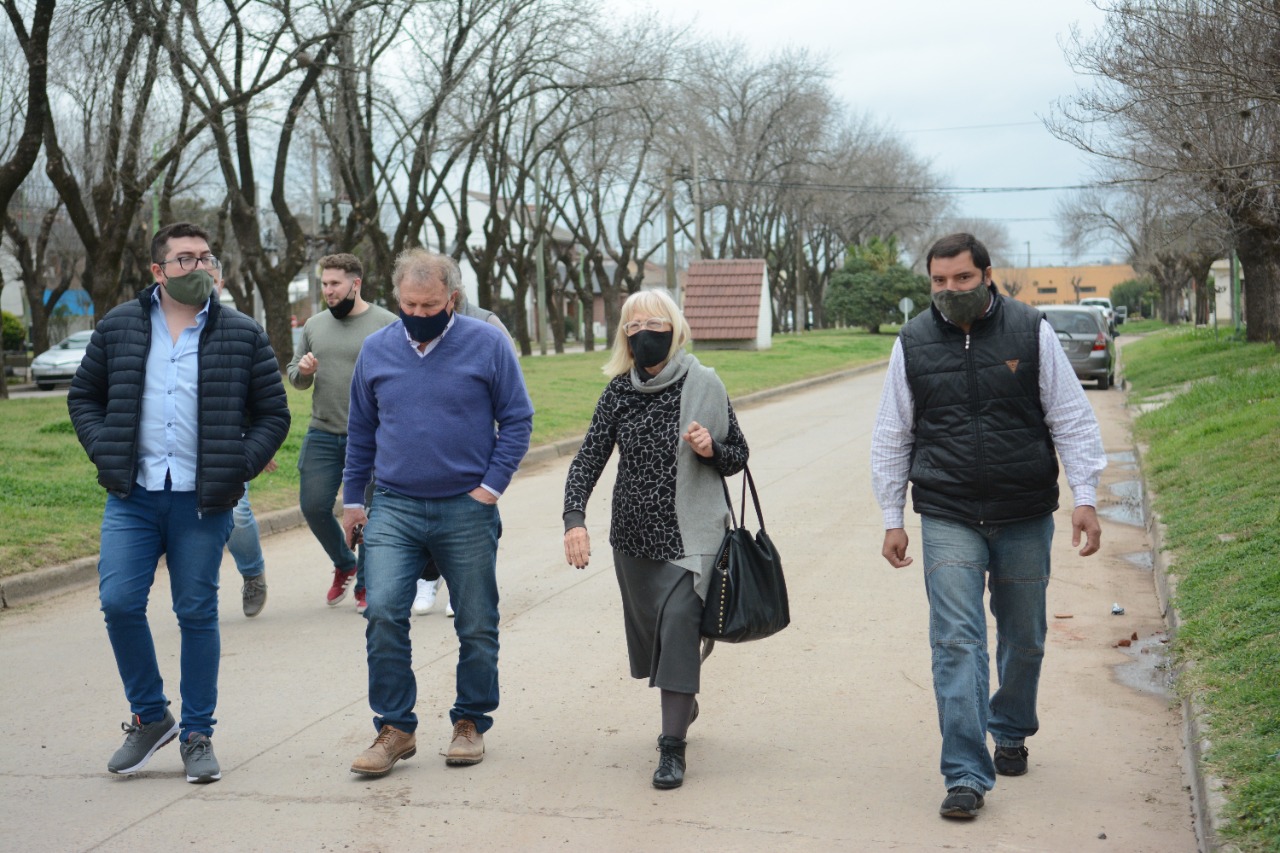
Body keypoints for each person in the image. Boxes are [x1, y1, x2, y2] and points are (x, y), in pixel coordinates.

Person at [870, 233, 1106, 820]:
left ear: (987, 276)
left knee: (1023, 638)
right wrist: (890, 516)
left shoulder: (1030, 330)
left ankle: (1011, 727)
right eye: (939, 282)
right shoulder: (913, 341)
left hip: (1024, 511)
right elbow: (893, 433)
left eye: (961, 280)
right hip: (949, 512)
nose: (949, 291)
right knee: (956, 640)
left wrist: (1087, 496)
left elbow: (1071, 416)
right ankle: (966, 773)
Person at [67, 221, 290, 784]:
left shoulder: (241, 332)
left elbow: (273, 413)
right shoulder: (119, 326)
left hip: (201, 501)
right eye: (185, 259)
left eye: (206, 257)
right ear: (158, 270)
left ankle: (196, 733)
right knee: (118, 603)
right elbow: (84, 397)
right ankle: (150, 717)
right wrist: (105, 451)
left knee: (195, 613)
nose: (199, 267)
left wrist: (236, 465)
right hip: (133, 495)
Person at [342, 248, 533, 777]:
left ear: (453, 298)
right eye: (409, 303)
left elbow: (517, 420)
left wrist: (490, 489)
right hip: (395, 505)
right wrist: (353, 501)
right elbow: (361, 432)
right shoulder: (376, 350)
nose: (419, 314)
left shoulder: (488, 343)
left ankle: (470, 721)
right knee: (381, 611)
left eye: (431, 305)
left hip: (465, 506)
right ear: (396, 297)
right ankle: (395, 728)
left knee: (476, 622)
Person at [562, 288, 749, 790]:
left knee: (681, 628)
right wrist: (574, 518)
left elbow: (739, 457)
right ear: (624, 335)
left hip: (693, 537)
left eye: (654, 322)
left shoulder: (705, 383)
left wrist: (711, 449)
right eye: (633, 324)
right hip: (634, 540)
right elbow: (588, 459)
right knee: (657, 644)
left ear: (674, 327)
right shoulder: (620, 391)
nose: (643, 331)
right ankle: (681, 698)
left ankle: (671, 750)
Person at [287, 254, 396, 614]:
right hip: (323, 431)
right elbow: (295, 378)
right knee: (314, 505)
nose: (328, 291)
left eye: (335, 283)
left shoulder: (387, 323)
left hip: (372, 437)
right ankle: (344, 561)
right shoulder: (314, 325)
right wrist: (303, 371)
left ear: (356, 284)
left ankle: (366, 583)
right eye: (324, 284)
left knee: (370, 511)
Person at [411, 282, 517, 617]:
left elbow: (511, 383)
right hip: (425, 440)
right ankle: (429, 576)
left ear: (454, 294)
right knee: (427, 514)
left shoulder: (486, 325)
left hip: (474, 443)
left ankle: (464, 583)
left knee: (476, 515)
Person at [225, 460, 278, 618]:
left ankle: (252, 574)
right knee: (195, 523)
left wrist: (261, 450)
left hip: (228, 450)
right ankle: (198, 596)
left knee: (236, 516)